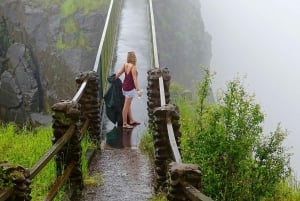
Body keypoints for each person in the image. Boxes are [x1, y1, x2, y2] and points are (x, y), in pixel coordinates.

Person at [115, 51, 142, 129]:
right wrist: (138, 90)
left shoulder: (125, 65)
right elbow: (134, 79)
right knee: (126, 106)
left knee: (128, 104)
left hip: (124, 87)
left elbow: (119, 73)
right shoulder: (133, 67)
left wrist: (113, 79)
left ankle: (131, 120)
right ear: (134, 58)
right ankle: (125, 124)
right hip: (130, 89)